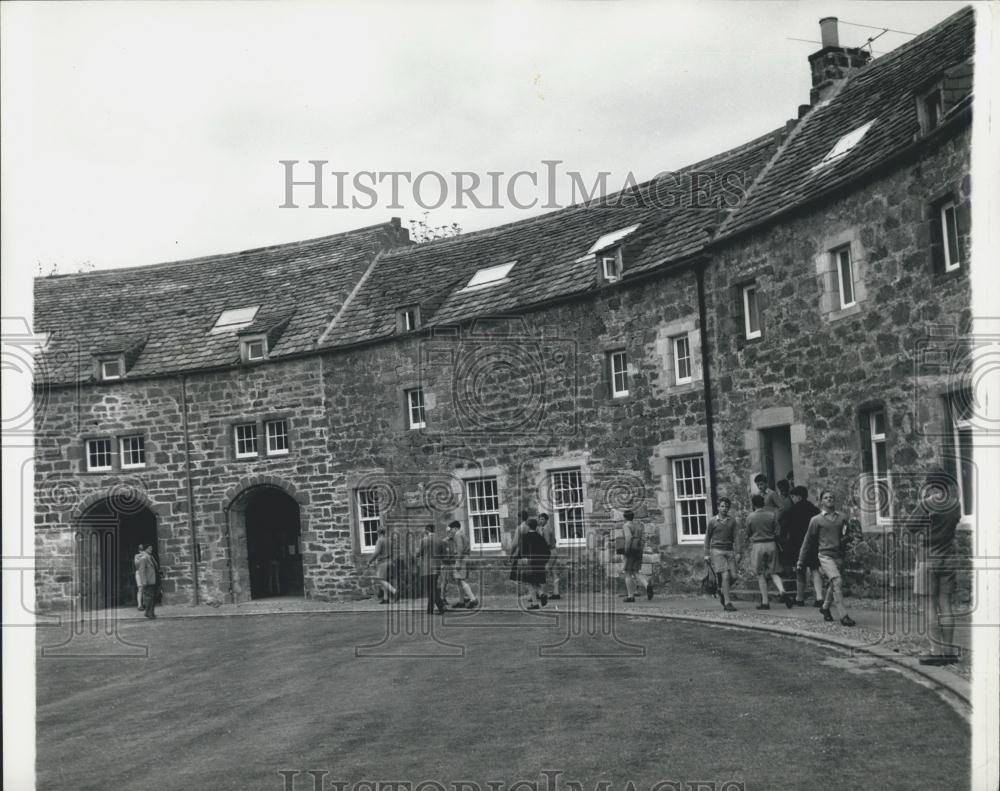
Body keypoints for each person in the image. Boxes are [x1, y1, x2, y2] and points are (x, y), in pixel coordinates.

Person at [914, 471, 963, 665]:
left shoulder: (927, 503)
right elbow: (953, 524)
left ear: (931, 485)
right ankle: (950, 652)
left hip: (927, 557)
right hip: (948, 556)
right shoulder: (955, 504)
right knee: (946, 604)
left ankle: (936, 651)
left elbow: (911, 525)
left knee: (929, 606)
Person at [797, 490, 856, 627]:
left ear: (834, 500)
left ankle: (824, 608)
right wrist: (801, 561)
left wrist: (849, 538)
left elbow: (848, 534)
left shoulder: (842, 517)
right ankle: (843, 616)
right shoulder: (816, 520)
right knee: (837, 580)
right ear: (821, 501)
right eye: (826, 497)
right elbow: (807, 541)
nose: (829, 499)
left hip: (839, 556)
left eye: (831, 497)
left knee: (833, 584)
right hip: (825, 556)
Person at [745, 494, 793, 609]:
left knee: (760, 574)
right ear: (763, 503)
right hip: (771, 544)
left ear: (753, 504)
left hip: (758, 545)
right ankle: (782, 591)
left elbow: (748, 532)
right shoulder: (772, 515)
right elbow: (777, 531)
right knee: (774, 572)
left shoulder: (750, 517)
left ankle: (765, 602)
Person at [781, 486, 823, 605]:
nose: (792, 499)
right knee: (815, 569)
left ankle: (799, 598)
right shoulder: (814, 510)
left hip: (796, 544)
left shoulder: (791, 511)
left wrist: (784, 544)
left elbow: (785, 529)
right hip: (813, 543)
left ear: (798, 497)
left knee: (800, 570)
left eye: (793, 497)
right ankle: (819, 597)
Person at [704, 497, 740, 611]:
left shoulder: (732, 521)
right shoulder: (713, 521)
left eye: (727, 507)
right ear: (718, 507)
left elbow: (736, 537)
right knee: (725, 575)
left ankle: (721, 589)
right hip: (717, 551)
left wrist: (738, 552)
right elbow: (707, 538)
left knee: (734, 576)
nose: (725, 509)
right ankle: (727, 602)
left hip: (729, 551)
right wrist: (707, 554)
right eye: (722, 506)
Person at [444, 520, 478, 609]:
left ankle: (473, 599)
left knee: (462, 580)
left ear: (455, 528)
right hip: (464, 558)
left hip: (461, 559)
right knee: (458, 581)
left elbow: (460, 549)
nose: (450, 531)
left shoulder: (458, 535)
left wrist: (458, 562)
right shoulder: (462, 534)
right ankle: (461, 601)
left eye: (451, 529)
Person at [518, 518, 550, 609]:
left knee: (529, 583)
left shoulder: (525, 537)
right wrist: (544, 562)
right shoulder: (540, 537)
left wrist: (521, 560)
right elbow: (547, 551)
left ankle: (535, 603)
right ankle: (542, 594)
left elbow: (522, 551)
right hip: (539, 563)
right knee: (536, 582)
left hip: (529, 562)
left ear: (528, 526)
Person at [414, 523, 446, 615]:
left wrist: (417, 550)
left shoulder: (423, 540)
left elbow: (417, 554)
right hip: (436, 567)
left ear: (427, 530)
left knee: (431, 589)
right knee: (432, 588)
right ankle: (430, 610)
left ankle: (441, 608)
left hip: (426, 568)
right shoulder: (440, 540)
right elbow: (443, 555)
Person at [622, 510, 653, 602]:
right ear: (633, 517)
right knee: (636, 572)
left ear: (624, 517)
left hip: (631, 551)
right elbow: (642, 538)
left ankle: (630, 596)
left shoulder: (626, 525)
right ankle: (647, 586)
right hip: (638, 550)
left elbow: (628, 538)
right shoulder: (638, 526)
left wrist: (626, 550)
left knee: (627, 573)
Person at [365, 526, 398, 604]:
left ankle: (394, 591)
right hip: (390, 562)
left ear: (378, 532)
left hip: (383, 563)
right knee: (385, 580)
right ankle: (386, 599)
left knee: (380, 580)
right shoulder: (389, 540)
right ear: (384, 532)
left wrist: (369, 561)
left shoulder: (380, 540)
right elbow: (393, 552)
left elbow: (376, 552)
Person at [539, 513, 562, 600]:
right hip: (554, 551)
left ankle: (543, 594)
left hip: (549, 552)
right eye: (540, 519)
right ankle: (556, 593)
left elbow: (547, 543)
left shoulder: (545, 529)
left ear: (546, 520)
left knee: (544, 571)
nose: (540, 521)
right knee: (554, 572)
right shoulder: (550, 527)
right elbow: (554, 540)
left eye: (542, 519)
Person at [136, 545, 158, 619]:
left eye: (151, 548)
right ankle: (148, 613)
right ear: (145, 549)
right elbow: (142, 571)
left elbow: (155, 567)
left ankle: (151, 612)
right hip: (148, 581)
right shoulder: (143, 558)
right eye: (149, 548)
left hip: (154, 580)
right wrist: (144, 581)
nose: (151, 549)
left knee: (153, 597)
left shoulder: (151, 557)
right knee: (148, 598)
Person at [134, 544, 146, 610]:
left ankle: (144, 603)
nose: (141, 550)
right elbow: (136, 565)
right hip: (138, 573)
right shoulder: (136, 556)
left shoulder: (146, 555)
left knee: (145, 589)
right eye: (140, 549)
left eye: (142, 549)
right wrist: (141, 556)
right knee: (140, 588)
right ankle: (139, 605)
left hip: (145, 573)